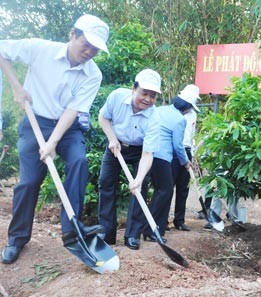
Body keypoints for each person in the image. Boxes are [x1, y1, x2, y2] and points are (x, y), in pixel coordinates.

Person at [0, 14, 110, 264]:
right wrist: (17, 86)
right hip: (35, 121)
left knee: (79, 162)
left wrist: (52, 142)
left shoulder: (93, 74)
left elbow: (73, 110)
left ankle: (71, 230)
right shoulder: (40, 49)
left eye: (95, 48)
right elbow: (1, 48)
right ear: (72, 34)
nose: (90, 51)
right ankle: (16, 239)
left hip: (67, 127)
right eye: (86, 44)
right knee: (28, 182)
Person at [97, 69, 162, 250]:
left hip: (139, 152)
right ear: (134, 89)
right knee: (106, 183)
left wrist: (138, 179)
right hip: (115, 147)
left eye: (153, 95)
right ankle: (107, 232)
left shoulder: (154, 117)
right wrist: (112, 138)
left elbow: (148, 154)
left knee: (139, 189)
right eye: (144, 93)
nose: (148, 99)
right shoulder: (117, 97)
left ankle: (132, 235)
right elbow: (103, 117)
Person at [128, 85, 195, 243]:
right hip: (161, 157)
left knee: (157, 191)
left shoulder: (160, 109)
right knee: (165, 191)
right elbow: (178, 145)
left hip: (146, 154)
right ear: (186, 108)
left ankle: (151, 227)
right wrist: (186, 162)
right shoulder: (180, 120)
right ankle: (150, 229)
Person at [167, 85, 201, 232]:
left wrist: (191, 156)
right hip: (173, 152)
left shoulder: (193, 115)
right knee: (168, 187)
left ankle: (179, 221)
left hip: (186, 151)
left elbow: (191, 136)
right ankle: (162, 220)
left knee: (183, 188)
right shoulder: (170, 112)